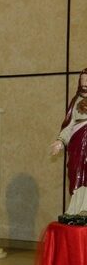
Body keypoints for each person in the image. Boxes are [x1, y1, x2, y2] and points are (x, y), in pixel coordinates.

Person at [51, 68, 87, 215]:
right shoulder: (75, 100)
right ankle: (76, 208)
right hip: (77, 144)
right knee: (75, 171)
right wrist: (60, 141)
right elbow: (69, 124)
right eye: (83, 79)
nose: (85, 82)